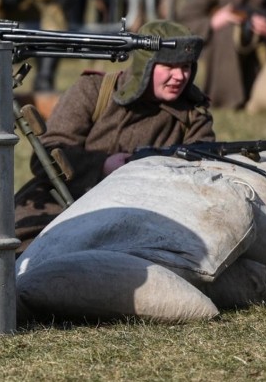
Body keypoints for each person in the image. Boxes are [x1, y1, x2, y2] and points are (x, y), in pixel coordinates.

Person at [13, 20, 214, 253]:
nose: (180, 76)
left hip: (144, 217)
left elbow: (202, 176)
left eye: (186, 67)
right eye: (169, 66)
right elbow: (46, 155)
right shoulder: (94, 90)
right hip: (64, 203)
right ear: (145, 65)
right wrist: (103, 166)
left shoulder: (193, 114)